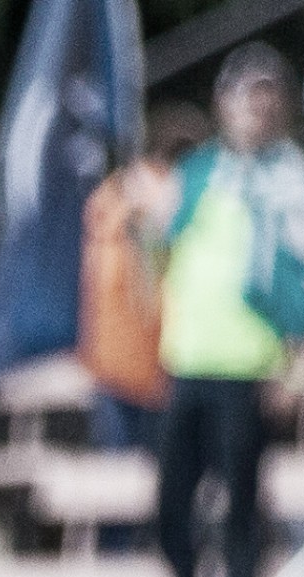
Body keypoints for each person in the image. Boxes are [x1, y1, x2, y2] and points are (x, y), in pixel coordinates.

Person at [154, 49, 304, 577]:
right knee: (170, 504)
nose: (257, 108)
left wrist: (298, 363)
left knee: (240, 504)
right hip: (188, 362)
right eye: (247, 95)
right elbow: (164, 254)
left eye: (267, 96)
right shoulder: (198, 175)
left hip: (249, 366)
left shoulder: (290, 178)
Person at [84, 108, 215, 463]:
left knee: (122, 481)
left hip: (111, 358)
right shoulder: (159, 201)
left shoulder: (110, 200)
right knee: (156, 480)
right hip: (151, 366)